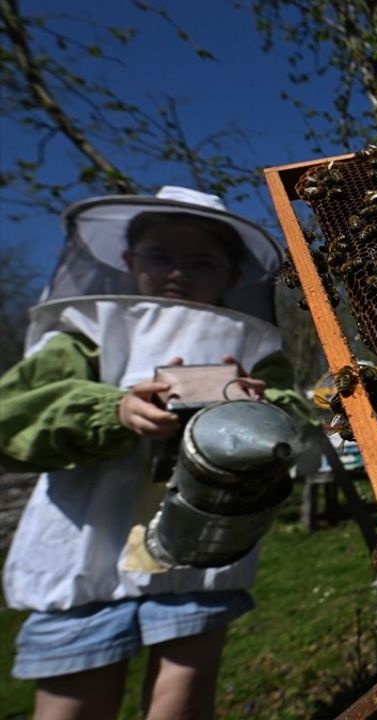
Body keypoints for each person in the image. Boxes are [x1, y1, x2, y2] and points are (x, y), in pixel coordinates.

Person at [1, 186, 310, 719]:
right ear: (128, 262)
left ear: (232, 277)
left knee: (181, 703)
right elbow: (14, 415)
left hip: (205, 548)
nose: (178, 272)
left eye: (202, 262)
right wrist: (114, 411)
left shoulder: (256, 347)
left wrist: (254, 408)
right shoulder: (84, 331)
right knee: (71, 707)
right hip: (84, 552)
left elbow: (292, 422)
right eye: (159, 256)